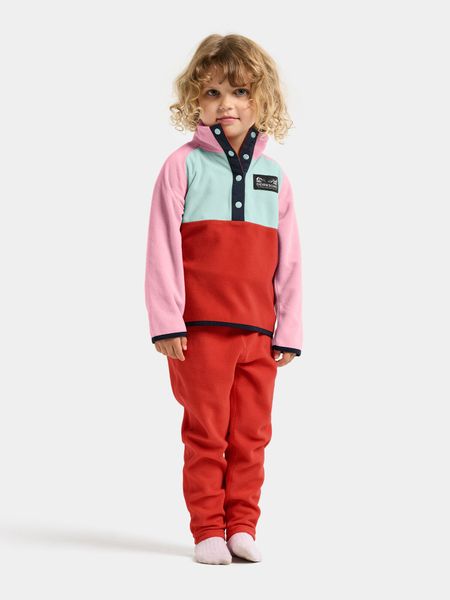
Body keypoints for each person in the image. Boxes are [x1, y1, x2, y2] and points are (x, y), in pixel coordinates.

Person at [144, 33, 303, 565]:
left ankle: (243, 526)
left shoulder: (274, 177)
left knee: (253, 434)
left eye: (239, 91)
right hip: (200, 331)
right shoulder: (182, 165)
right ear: (195, 98)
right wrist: (167, 322)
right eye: (212, 92)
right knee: (207, 433)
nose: (226, 104)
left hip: (259, 332)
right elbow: (162, 246)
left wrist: (288, 329)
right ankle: (208, 529)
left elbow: (289, 260)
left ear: (262, 98)